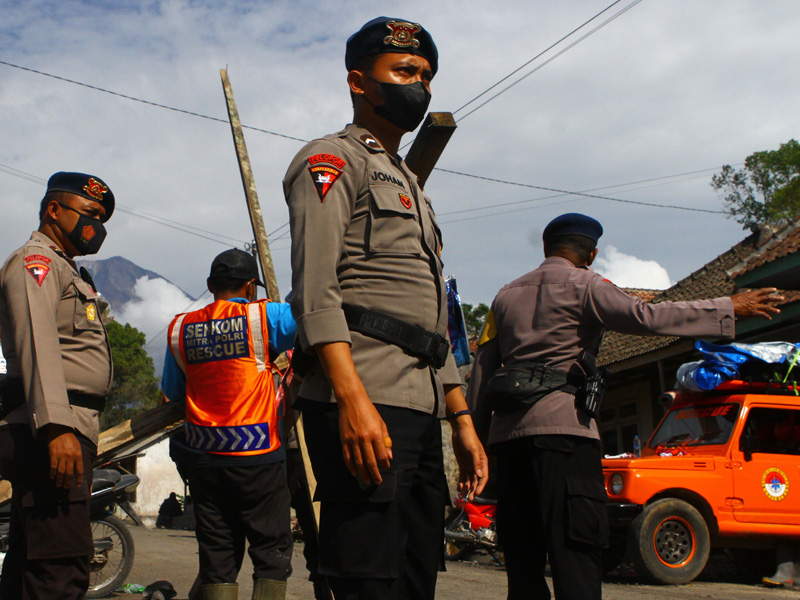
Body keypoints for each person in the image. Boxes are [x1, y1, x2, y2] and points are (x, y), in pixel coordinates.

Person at [467, 212, 784, 600]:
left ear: (546, 248)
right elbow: (646, 316)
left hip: (511, 442)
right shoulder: (587, 285)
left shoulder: (503, 296)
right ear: (591, 254)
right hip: (566, 436)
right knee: (576, 552)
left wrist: (477, 443)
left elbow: (481, 373)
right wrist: (727, 308)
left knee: (522, 555)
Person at [283, 16, 488, 600]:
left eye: (426, 75)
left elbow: (431, 324)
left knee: (417, 572)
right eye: (402, 71)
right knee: (365, 577)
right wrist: (352, 400)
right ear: (359, 82)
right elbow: (315, 291)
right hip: (365, 396)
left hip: (420, 408)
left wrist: (463, 421)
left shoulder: (412, 188)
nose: (418, 86)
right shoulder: (330, 160)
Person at [0, 171, 115, 599]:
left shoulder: (66, 269)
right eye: (89, 213)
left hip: (64, 424)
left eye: (102, 218)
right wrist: (55, 426)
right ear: (53, 210)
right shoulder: (38, 261)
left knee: (33, 562)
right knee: (61, 569)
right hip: (50, 428)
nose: (96, 226)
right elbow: (38, 338)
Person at [161, 249, 296, 600]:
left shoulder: (179, 329)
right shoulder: (265, 315)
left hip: (204, 460)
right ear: (251, 286)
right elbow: (313, 315)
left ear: (210, 285)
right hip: (259, 457)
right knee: (271, 552)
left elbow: (174, 395)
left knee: (217, 553)